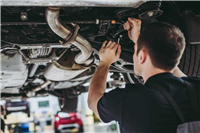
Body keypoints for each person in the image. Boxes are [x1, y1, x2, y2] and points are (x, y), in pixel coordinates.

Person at [87, 17, 200, 133]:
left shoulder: (130, 100)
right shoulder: (195, 87)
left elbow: (93, 101)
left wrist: (104, 62)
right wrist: (141, 42)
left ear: (141, 56)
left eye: (135, 50)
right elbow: (172, 64)